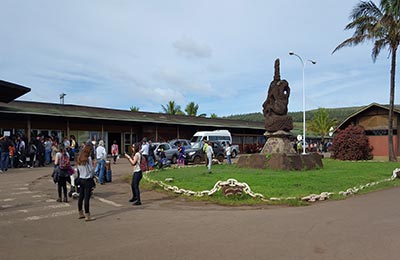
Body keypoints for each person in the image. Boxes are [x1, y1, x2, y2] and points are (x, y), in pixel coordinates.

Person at [76, 142, 96, 221]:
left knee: (81, 196)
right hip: (87, 179)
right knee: (87, 198)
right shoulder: (88, 159)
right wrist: (94, 165)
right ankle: (87, 215)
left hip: (81, 179)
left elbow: (78, 170)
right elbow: (91, 171)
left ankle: (80, 213)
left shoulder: (79, 158)